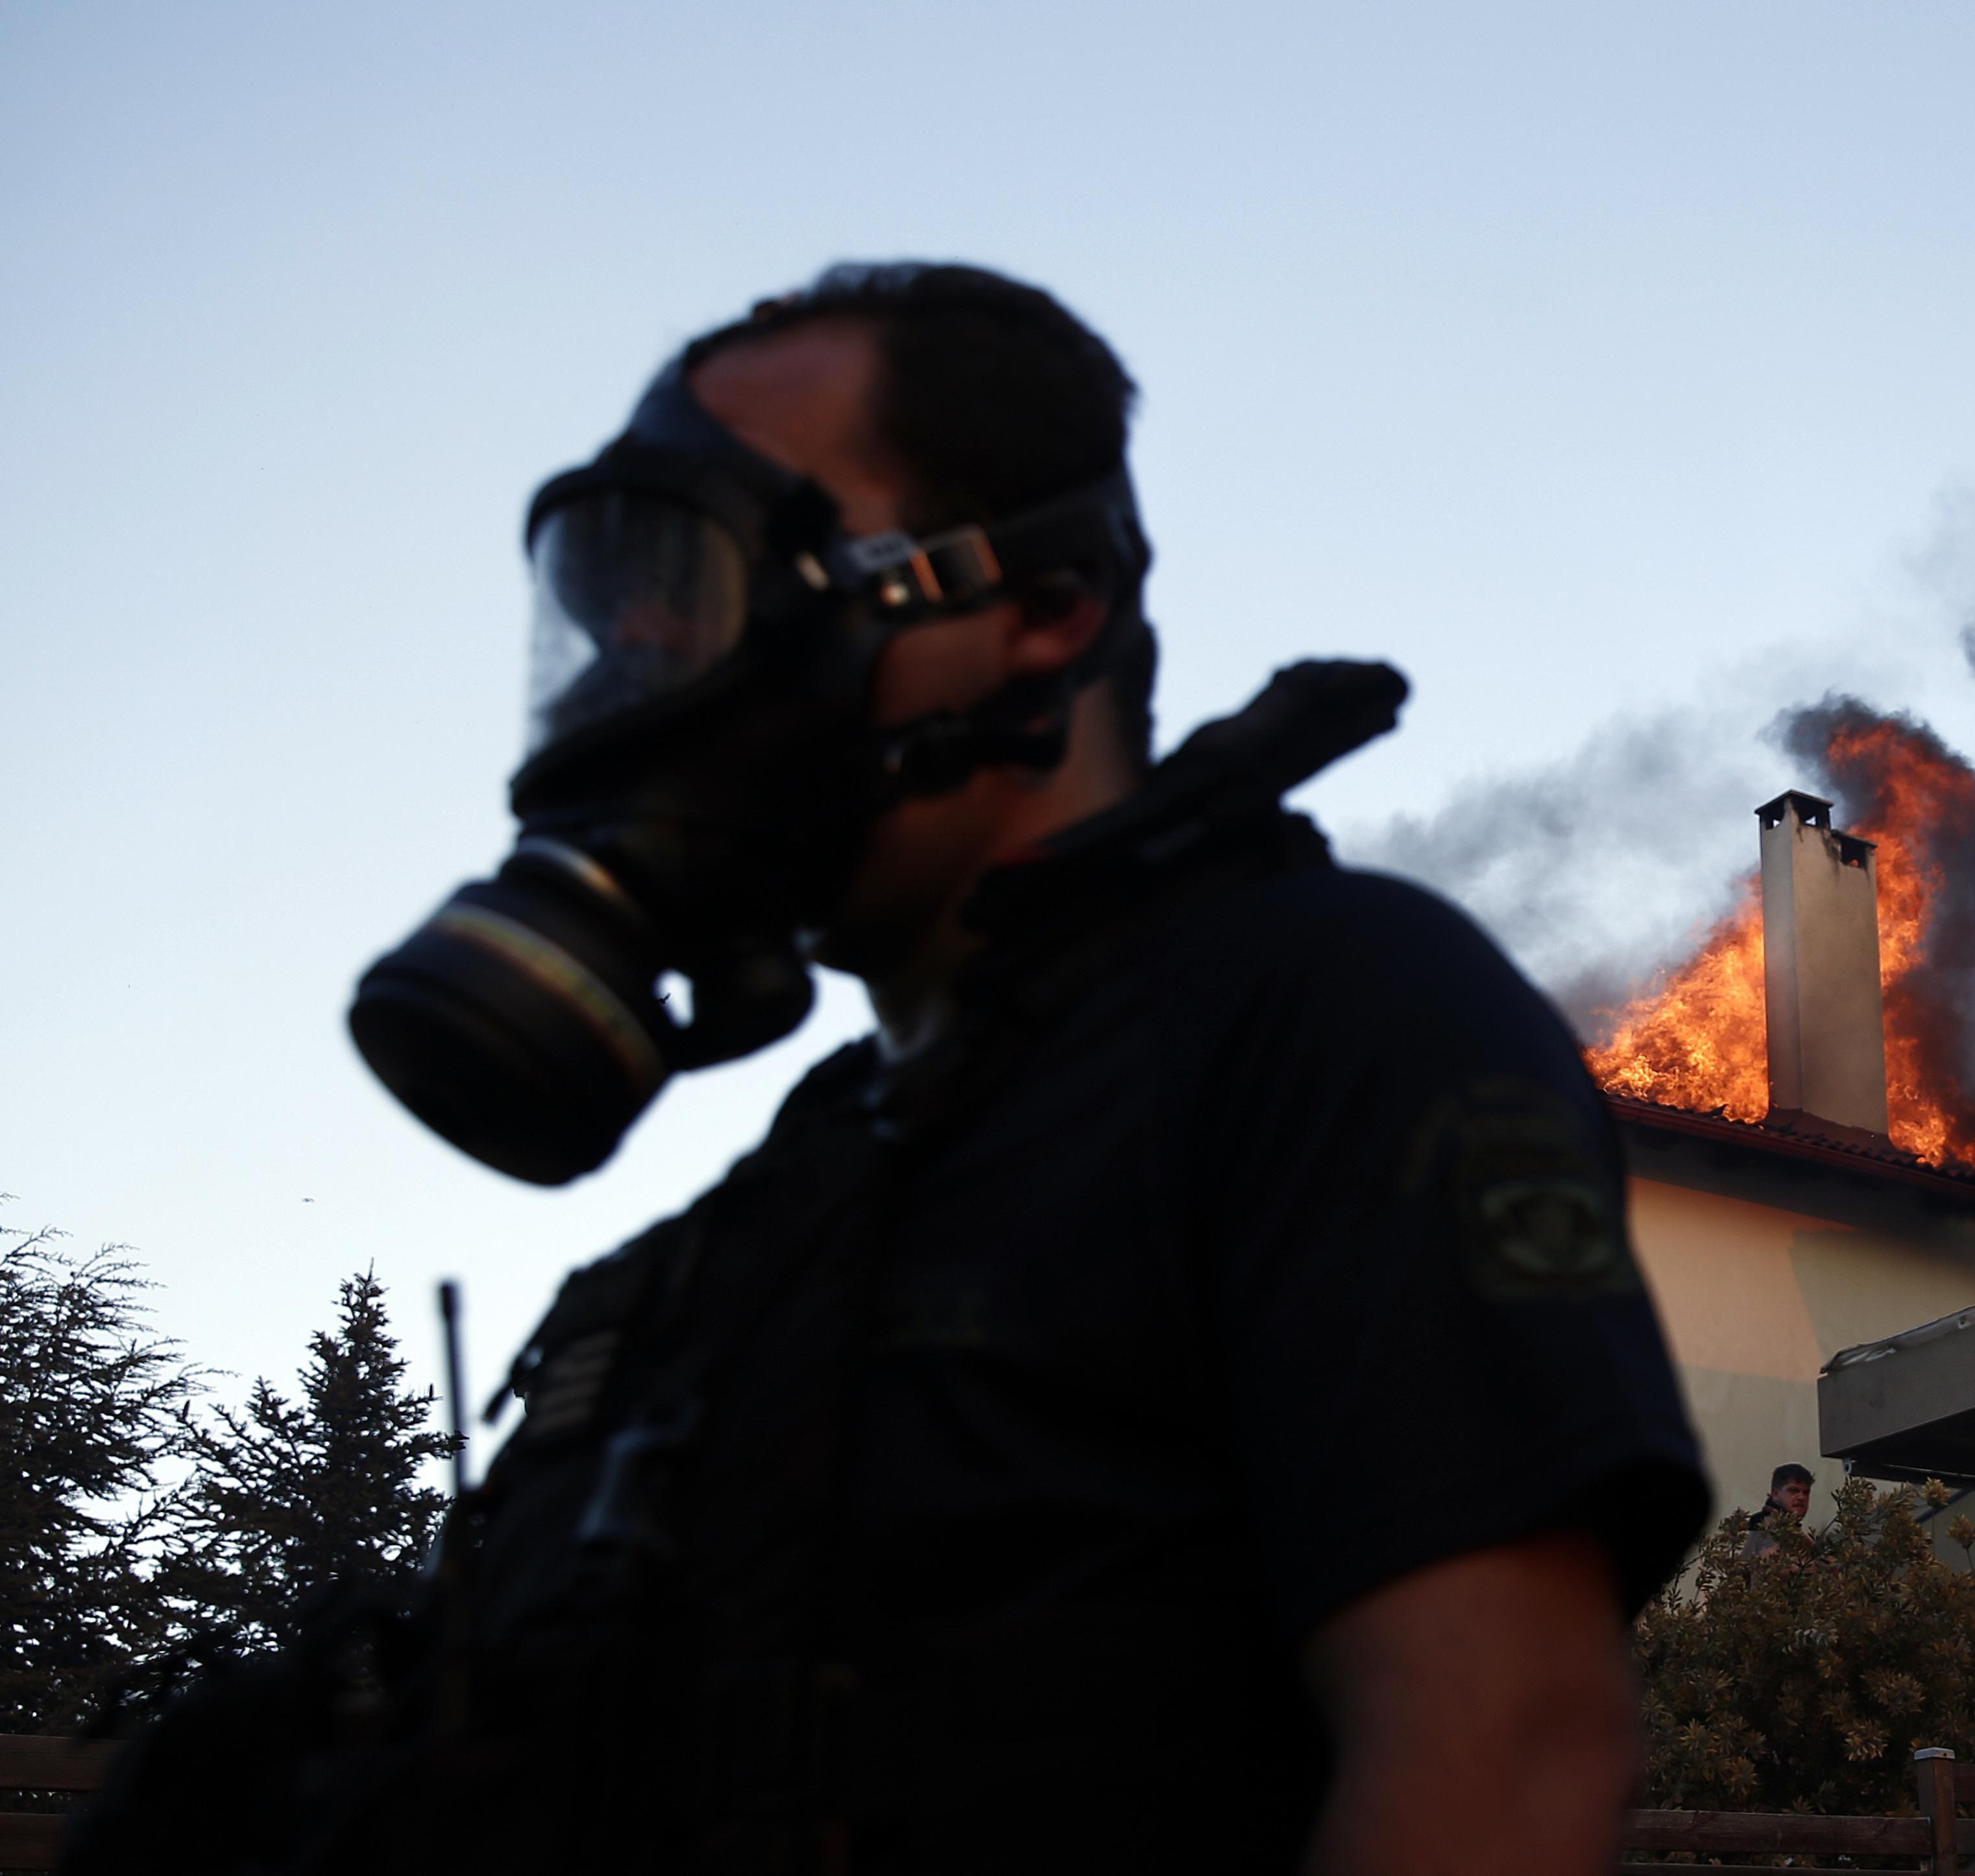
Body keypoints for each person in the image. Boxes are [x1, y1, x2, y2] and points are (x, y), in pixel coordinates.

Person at [79, 265, 1710, 1875]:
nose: (646, 643)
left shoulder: (1331, 1007)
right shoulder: (805, 1183)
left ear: (1041, 610)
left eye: (710, 569)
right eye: (618, 591)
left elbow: (1504, 1756)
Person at [1741, 1462, 1815, 1555]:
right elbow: (1776, 1565)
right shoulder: (1770, 1527)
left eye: (1806, 1492)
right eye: (1793, 1491)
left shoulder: (1783, 1527)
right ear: (1775, 1494)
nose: (1802, 1497)